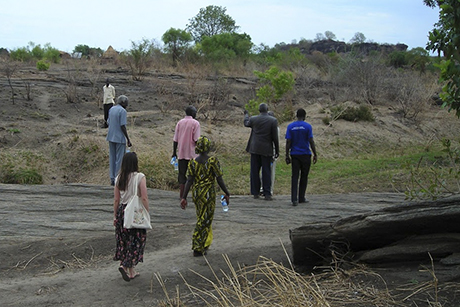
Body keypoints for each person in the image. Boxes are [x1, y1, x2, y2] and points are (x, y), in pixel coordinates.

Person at [180, 136, 230, 257]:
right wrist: (227, 192)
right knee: (205, 220)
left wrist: (184, 197)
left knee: (201, 217)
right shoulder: (212, 161)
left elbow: (189, 180)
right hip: (208, 194)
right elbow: (219, 179)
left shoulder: (193, 162)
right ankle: (198, 246)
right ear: (207, 147)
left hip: (197, 194)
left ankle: (204, 243)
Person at [113, 152, 149, 281]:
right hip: (134, 212)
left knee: (124, 240)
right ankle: (124, 265)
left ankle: (131, 271)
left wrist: (115, 216)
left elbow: (116, 200)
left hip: (122, 211)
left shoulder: (118, 178)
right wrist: (147, 212)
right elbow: (144, 197)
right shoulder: (140, 177)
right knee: (136, 240)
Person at [244, 103, 279, 200]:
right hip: (266, 149)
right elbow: (275, 137)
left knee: (254, 170)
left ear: (259, 110)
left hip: (254, 148)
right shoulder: (273, 120)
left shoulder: (254, 119)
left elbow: (246, 123)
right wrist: (277, 150)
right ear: (267, 110)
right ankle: (267, 193)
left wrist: (246, 114)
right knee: (266, 171)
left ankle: (255, 192)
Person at [285, 108, 318, 206]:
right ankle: (301, 197)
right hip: (305, 154)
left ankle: (294, 199)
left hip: (295, 154)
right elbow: (311, 141)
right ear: (305, 116)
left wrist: (287, 155)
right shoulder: (308, 126)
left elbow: (288, 142)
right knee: (304, 176)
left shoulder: (290, 126)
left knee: (295, 176)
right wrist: (315, 153)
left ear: (296, 115)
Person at [172, 105, 200, 198]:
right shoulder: (195, 123)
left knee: (181, 174)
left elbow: (175, 140)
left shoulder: (180, 123)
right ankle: (194, 195)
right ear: (192, 113)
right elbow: (196, 139)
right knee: (193, 175)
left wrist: (174, 152)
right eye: (195, 112)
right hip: (192, 154)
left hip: (181, 153)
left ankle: (182, 195)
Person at [106, 95, 132, 186]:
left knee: (112, 158)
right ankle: (118, 178)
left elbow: (108, 122)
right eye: (127, 103)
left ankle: (112, 178)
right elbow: (122, 126)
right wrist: (128, 139)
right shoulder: (123, 111)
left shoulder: (111, 109)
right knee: (119, 159)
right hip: (119, 138)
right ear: (123, 103)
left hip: (111, 136)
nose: (127, 105)